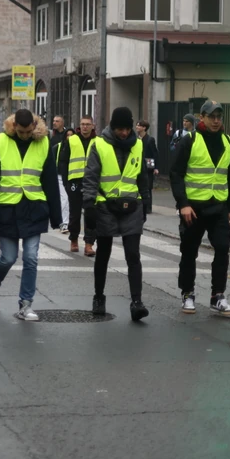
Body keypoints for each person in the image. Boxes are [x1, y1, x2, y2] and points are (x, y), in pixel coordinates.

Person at [0, 109, 61, 322]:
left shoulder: (44, 142)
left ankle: (25, 305)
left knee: (31, 257)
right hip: (7, 209)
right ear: (14, 126)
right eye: (21, 131)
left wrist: (57, 216)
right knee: (8, 257)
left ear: (34, 127)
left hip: (34, 209)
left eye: (28, 132)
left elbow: (50, 180)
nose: (25, 135)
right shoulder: (1, 141)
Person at [170, 100, 230, 316]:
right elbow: (176, 173)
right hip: (194, 209)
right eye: (212, 117)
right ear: (202, 117)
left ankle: (217, 295)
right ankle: (187, 293)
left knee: (222, 249)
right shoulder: (190, 140)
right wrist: (184, 204)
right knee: (189, 252)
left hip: (218, 207)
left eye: (219, 117)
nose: (216, 121)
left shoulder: (228, 141)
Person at [84, 107, 150, 321]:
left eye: (127, 128)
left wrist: (146, 202)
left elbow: (141, 176)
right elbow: (91, 176)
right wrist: (89, 205)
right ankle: (98, 297)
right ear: (113, 127)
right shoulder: (99, 144)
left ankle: (137, 302)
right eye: (120, 129)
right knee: (103, 254)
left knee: (133, 255)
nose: (124, 133)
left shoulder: (138, 144)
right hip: (105, 206)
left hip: (132, 206)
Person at [59, 115, 98, 256]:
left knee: (91, 214)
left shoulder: (98, 141)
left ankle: (89, 244)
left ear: (93, 125)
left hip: (92, 182)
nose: (85, 127)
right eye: (82, 124)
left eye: (88, 124)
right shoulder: (72, 140)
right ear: (79, 126)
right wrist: (65, 181)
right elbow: (63, 162)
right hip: (75, 181)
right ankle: (74, 240)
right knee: (74, 214)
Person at [51, 115, 70, 233]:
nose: (54, 123)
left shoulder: (67, 135)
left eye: (57, 121)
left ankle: (64, 222)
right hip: (56, 171)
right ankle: (61, 220)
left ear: (62, 123)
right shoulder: (51, 136)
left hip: (66, 172)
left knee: (65, 198)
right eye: (53, 121)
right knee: (61, 197)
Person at [136, 120, 159, 215]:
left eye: (139, 125)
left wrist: (156, 168)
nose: (137, 127)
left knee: (148, 186)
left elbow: (155, 154)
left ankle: (148, 207)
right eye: (137, 125)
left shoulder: (150, 140)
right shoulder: (136, 139)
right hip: (138, 166)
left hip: (148, 166)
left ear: (144, 128)